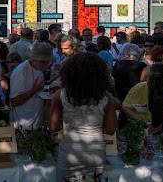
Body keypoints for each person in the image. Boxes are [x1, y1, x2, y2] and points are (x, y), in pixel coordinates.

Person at [50, 53, 116, 181]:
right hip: (95, 152)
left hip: (69, 152)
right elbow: (110, 129)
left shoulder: (60, 95)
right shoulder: (106, 98)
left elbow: (53, 127)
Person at [10, 42, 53, 130]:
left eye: (48, 62)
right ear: (34, 59)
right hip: (22, 125)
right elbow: (14, 101)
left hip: (35, 122)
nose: (47, 65)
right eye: (44, 62)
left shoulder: (39, 68)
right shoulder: (21, 72)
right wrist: (34, 90)